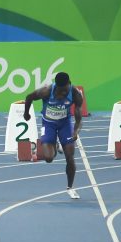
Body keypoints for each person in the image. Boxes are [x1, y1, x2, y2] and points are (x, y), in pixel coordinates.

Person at [23, 72, 84, 200]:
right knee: (49, 158)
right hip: (48, 124)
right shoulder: (46, 91)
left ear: (69, 84)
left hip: (65, 125)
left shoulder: (75, 94)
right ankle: (55, 145)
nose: (63, 94)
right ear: (56, 86)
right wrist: (26, 113)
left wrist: (76, 131)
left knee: (70, 156)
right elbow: (29, 97)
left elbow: (79, 118)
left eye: (65, 91)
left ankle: (70, 188)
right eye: (61, 91)